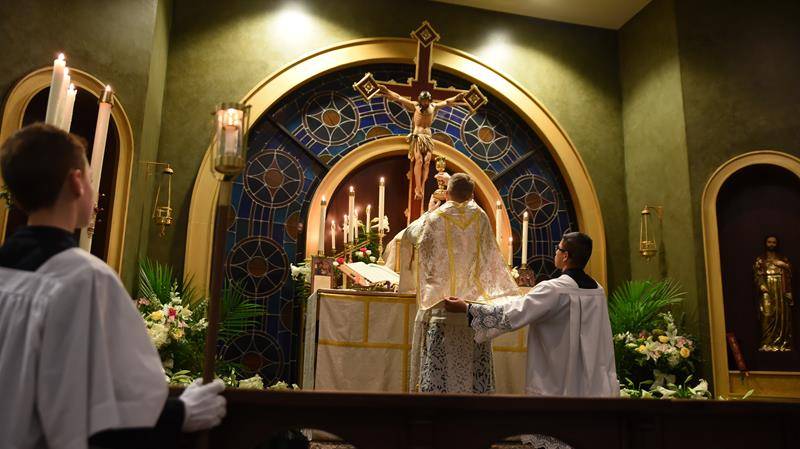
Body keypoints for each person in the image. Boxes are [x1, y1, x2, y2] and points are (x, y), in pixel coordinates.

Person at [0, 123, 226, 449]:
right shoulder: (85, 278)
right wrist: (181, 413)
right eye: (91, 178)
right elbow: (105, 413)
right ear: (77, 182)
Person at [444, 231, 619, 397]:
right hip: (592, 382)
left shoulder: (553, 289)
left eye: (558, 249)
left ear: (565, 256)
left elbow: (513, 313)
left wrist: (467, 308)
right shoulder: (597, 290)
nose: (555, 253)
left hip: (557, 382)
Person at [410, 173, 518, 393]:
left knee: (439, 380)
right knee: (473, 379)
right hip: (471, 310)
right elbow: (489, 258)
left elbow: (413, 239)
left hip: (441, 307)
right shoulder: (481, 217)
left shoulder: (434, 218)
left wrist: (429, 211)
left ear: (447, 193)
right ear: (472, 194)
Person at [377, 85, 465, 199]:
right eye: (423, 101)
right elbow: (398, 98)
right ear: (420, 100)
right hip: (418, 136)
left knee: (427, 161)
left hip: (428, 137)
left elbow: (447, 102)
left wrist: (457, 97)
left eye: (426, 101)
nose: (425, 103)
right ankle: (417, 187)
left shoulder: (433, 107)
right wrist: (387, 91)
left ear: (429, 100)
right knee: (419, 161)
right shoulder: (415, 106)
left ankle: (422, 186)